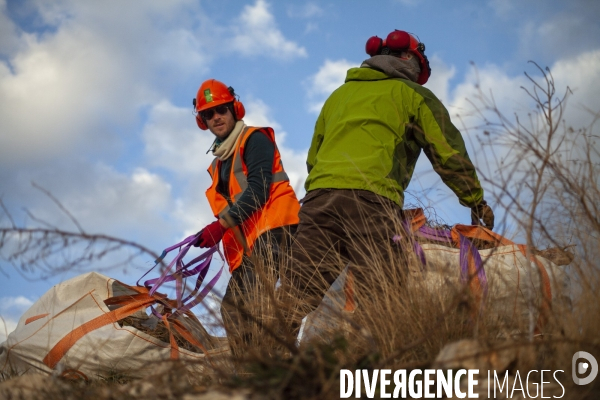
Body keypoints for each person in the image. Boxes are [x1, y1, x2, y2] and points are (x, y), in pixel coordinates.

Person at [285, 30, 494, 337]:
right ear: (409, 59)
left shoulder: (338, 96)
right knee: (381, 292)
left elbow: (314, 157)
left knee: (296, 290)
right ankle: (379, 371)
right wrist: (475, 199)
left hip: (319, 200)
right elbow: (447, 152)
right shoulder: (413, 94)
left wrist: (328, 186)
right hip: (372, 201)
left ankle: (258, 365)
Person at [192, 79, 300, 354]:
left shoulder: (254, 139)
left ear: (235, 109)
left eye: (222, 110)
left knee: (245, 309)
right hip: (253, 244)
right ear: (202, 121)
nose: (216, 117)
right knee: (234, 312)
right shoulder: (218, 164)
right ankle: (263, 377)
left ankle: (260, 379)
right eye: (208, 114)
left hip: (278, 228)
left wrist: (221, 226)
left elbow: (259, 188)